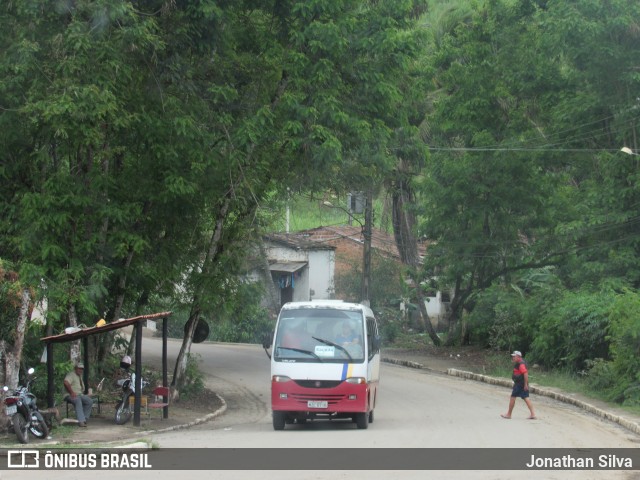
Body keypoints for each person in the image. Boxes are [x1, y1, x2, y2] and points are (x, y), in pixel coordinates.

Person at [501, 351, 536, 420]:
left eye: (514, 356)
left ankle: (509, 414)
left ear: (518, 357)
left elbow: (525, 373)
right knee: (526, 397)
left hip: (520, 384)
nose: (513, 357)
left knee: (513, 397)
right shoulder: (520, 363)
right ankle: (533, 414)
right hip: (522, 383)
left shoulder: (520, 364)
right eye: (513, 356)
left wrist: (525, 384)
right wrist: (525, 384)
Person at [63, 362, 93, 427]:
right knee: (78, 400)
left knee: (89, 401)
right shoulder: (71, 375)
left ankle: (84, 418)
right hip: (69, 395)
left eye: (82, 369)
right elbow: (65, 382)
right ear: (75, 368)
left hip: (79, 395)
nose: (81, 370)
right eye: (79, 369)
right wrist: (71, 392)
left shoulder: (80, 376)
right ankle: (81, 421)